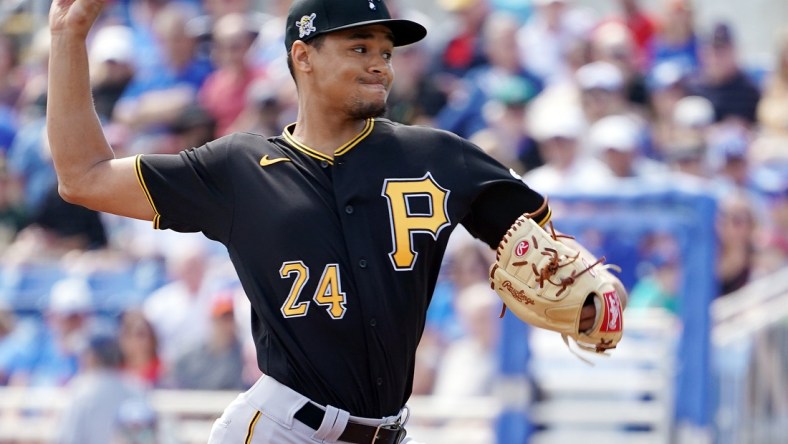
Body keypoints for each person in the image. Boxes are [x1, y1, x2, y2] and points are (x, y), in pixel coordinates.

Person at [46, 0, 617, 443]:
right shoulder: (239, 169)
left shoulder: (441, 158)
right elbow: (84, 177)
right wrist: (67, 38)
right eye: (360, 47)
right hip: (282, 428)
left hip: (389, 429)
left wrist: (593, 295)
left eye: (387, 52)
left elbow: (542, 244)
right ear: (304, 56)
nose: (380, 65)